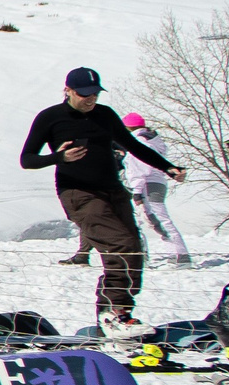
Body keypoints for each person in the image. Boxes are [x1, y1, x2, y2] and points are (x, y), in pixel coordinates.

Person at [20, 68, 183, 333]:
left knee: (134, 250)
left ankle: (119, 313)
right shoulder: (50, 118)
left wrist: (168, 167)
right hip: (78, 193)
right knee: (122, 244)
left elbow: (133, 145)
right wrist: (58, 158)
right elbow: (27, 159)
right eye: (84, 94)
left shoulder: (105, 115)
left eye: (95, 93)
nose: (90, 99)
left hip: (113, 191)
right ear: (68, 91)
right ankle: (113, 314)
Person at [123, 113, 191, 266]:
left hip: (147, 184)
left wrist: (137, 191)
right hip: (157, 182)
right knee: (150, 220)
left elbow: (140, 168)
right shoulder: (152, 139)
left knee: (157, 219)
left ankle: (180, 255)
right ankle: (172, 254)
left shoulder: (139, 141)